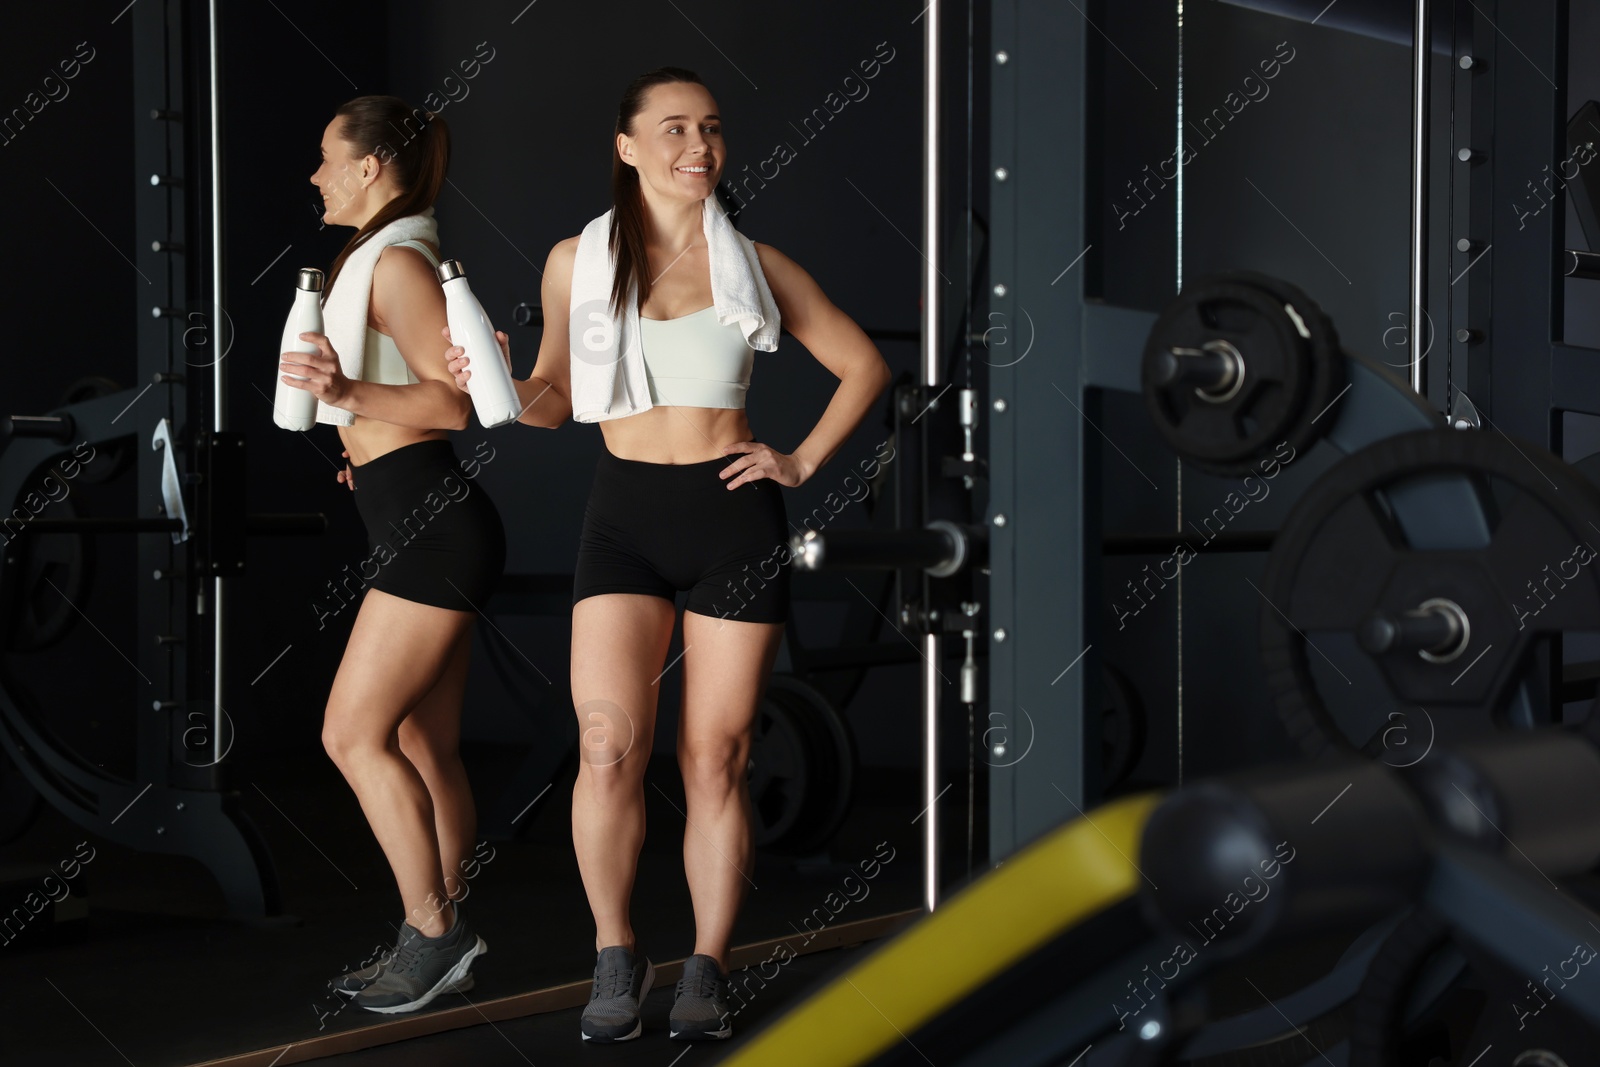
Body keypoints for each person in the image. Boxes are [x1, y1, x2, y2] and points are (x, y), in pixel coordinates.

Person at [447, 66, 890, 1043]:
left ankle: (705, 962)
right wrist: (495, 382)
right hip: (624, 516)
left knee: (715, 758)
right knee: (605, 746)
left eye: (712, 129)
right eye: (676, 129)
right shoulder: (575, 261)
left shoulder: (756, 263)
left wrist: (800, 457)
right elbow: (557, 396)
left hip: (731, 516)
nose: (699, 147)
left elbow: (863, 364)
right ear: (627, 146)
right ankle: (615, 952)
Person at [281, 94, 505, 1014]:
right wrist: (362, 450)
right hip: (412, 513)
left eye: (328, 157)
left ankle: (434, 931)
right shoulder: (381, 250)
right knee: (423, 742)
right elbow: (401, 410)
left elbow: (451, 407)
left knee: (351, 733)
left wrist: (345, 388)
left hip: (434, 528)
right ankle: (440, 933)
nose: (315, 174)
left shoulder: (403, 260)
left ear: (371, 166)